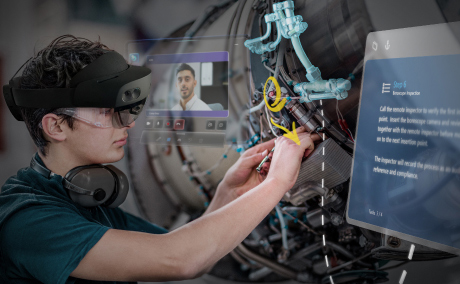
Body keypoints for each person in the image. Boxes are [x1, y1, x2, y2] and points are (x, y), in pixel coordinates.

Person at [0, 35, 320, 283]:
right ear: (56, 126)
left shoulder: (87, 202)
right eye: (106, 112)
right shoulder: (27, 220)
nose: (129, 123)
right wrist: (278, 181)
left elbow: (190, 252)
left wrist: (229, 192)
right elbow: (179, 260)